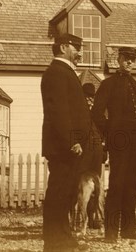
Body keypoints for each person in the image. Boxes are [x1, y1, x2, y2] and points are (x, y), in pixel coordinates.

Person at [92, 46, 136, 242]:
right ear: (119, 59)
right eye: (126, 59)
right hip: (119, 143)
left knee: (132, 185)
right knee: (117, 185)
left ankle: (128, 229)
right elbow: (97, 113)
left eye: (133, 59)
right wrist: (112, 131)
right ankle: (110, 233)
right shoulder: (108, 84)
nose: (130, 62)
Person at [40, 33, 90, 251]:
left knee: (67, 193)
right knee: (59, 193)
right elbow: (59, 111)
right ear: (63, 48)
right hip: (64, 147)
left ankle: (64, 239)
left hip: (70, 146)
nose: (80, 52)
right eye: (76, 47)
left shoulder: (64, 72)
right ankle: (55, 243)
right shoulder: (56, 73)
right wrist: (72, 140)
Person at [80, 82, 106, 229]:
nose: (89, 100)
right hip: (83, 155)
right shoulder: (78, 111)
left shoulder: (98, 113)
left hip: (96, 153)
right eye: (87, 97)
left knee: (96, 187)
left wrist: (104, 151)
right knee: (84, 187)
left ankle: (94, 218)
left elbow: (104, 133)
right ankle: (81, 219)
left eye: (91, 97)